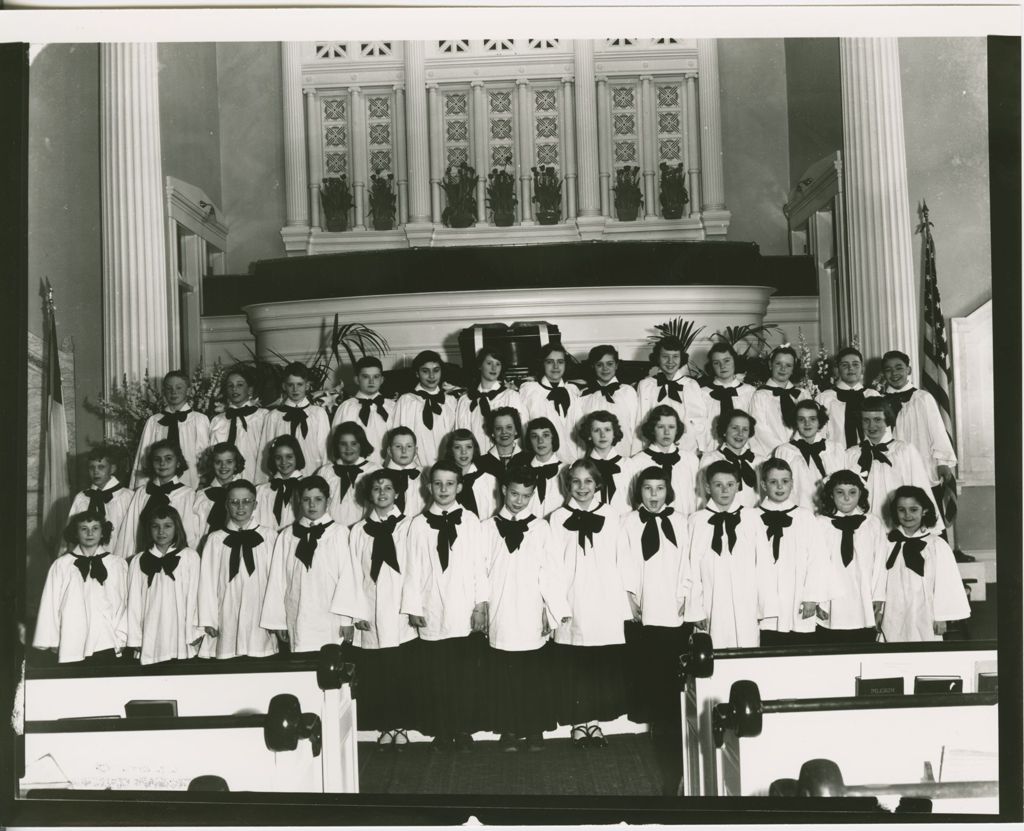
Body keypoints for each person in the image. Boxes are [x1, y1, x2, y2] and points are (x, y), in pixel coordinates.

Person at [481, 467, 572, 751]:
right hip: (501, 607)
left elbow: (551, 571)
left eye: (526, 496)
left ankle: (533, 729)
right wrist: (482, 605)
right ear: (503, 491)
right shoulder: (486, 527)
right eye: (514, 494)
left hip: (531, 606)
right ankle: (509, 729)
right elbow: (480, 571)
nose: (519, 501)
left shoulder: (541, 527)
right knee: (504, 673)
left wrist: (550, 607)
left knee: (533, 674)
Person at [401, 461, 489, 751]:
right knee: (436, 676)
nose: (443, 489)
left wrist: (480, 604)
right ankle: (442, 729)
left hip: (463, 607)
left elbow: (480, 565)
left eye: (449, 484)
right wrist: (414, 606)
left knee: (464, 675)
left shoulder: (472, 520)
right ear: (429, 487)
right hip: (432, 607)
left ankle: (463, 729)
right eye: (437, 484)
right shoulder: (418, 523)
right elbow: (412, 569)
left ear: (459, 487)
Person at [330, 469, 417, 750]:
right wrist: (356, 614)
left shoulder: (408, 527)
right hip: (369, 611)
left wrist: (413, 607)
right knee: (377, 673)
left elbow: (416, 571)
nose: (382, 493)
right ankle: (384, 726)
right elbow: (353, 574)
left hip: (400, 611)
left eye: (388, 488)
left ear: (397, 493)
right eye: (377, 488)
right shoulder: (358, 530)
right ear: (369, 494)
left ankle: (402, 724)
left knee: (401, 671)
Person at [548, 459, 630, 748]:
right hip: (572, 599)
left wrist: (622, 603)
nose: (582, 487)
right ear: (567, 485)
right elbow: (553, 566)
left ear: (598, 485)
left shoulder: (612, 515)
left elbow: (622, 560)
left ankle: (594, 722)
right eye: (576, 482)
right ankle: (578, 723)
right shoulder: (557, 518)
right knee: (576, 665)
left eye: (588, 482)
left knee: (599, 665)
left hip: (604, 599)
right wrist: (558, 606)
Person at [618, 467, 691, 726]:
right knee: (646, 662)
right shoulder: (627, 522)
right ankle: (648, 718)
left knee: (672, 664)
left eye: (660, 488)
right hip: (643, 605)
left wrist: (685, 596)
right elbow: (623, 561)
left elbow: (687, 561)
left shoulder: (682, 521)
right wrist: (629, 596)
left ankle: (671, 720)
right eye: (648, 489)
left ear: (668, 491)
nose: (654, 494)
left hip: (673, 604)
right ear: (639, 492)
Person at [684, 461, 777, 649]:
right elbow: (691, 568)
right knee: (711, 656)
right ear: (708, 488)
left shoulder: (752, 518)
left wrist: (764, 608)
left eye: (730, 485)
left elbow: (764, 566)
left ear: (738, 486)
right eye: (718, 485)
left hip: (746, 602)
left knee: (747, 652)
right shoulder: (697, 521)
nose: (725, 490)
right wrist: (695, 610)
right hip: (711, 603)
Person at [260, 476, 357, 654]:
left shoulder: (339, 533)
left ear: (328, 501)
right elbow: (277, 579)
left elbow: (347, 579)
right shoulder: (288, 535)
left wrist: (346, 620)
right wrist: (278, 621)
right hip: (297, 612)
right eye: (306, 500)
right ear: (298, 501)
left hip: (330, 615)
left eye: (318, 499)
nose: (312, 505)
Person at [33, 510, 128, 664]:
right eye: (84, 528)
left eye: (95, 528)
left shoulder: (117, 564)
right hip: (72, 640)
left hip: (107, 639)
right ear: (75, 533)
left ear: (103, 532)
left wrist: (122, 636)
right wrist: (53, 640)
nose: (90, 533)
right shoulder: (62, 565)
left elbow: (124, 602)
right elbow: (50, 604)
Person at [198, 480, 278, 659]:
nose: (240, 507)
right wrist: (208, 619)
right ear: (226, 505)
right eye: (234, 502)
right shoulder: (215, 539)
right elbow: (207, 581)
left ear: (255, 504)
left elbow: (276, 582)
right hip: (226, 612)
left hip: (259, 615)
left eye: (246, 501)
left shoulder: (270, 537)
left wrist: (275, 617)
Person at [754, 459, 831, 646]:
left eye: (785, 481)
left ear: (792, 483)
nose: (780, 487)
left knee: (800, 652)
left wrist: (812, 597)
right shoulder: (751, 517)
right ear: (763, 485)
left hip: (798, 600)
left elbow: (817, 559)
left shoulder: (804, 516)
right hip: (764, 602)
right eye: (773, 482)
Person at [878, 486, 970, 642]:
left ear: (924, 511)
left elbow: (946, 583)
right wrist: (879, 611)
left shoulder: (936, 545)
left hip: (925, 611)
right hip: (894, 609)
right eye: (902, 510)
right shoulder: (888, 543)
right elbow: (879, 580)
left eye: (913, 509)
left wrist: (942, 616)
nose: (907, 515)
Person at [881, 350, 959, 527]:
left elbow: (937, 431)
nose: (894, 374)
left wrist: (942, 463)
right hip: (894, 467)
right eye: (888, 369)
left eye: (899, 368)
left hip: (923, 466)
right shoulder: (880, 401)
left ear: (908, 370)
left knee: (926, 514)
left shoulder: (923, 398)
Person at [816, 470, 889, 644]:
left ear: (860, 494)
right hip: (832, 600)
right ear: (831, 495)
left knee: (863, 646)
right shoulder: (820, 524)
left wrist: (878, 596)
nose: (847, 498)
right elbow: (815, 565)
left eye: (852, 492)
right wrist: (819, 598)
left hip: (863, 596)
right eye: (840, 492)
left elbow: (880, 561)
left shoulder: (872, 523)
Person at [126, 506, 203, 665]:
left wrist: (195, 631)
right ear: (149, 529)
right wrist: (136, 639)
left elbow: (196, 596)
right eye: (156, 526)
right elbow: (133, 603)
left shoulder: (189, 557)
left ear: (177, 528)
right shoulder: (138, 560)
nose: (161, 531)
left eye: (167, 526)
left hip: (180, 635)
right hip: (150, 635)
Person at [843, 399, 933, 529]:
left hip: (899, 525)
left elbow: (920, 489)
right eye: (866, 420)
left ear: (887, 420)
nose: (871, 425)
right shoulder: (851, 454)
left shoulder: (904, 450)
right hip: (863, 526)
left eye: (877, 419)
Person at [115, 440, 199, 560]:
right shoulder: (142, 493)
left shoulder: (187, 494)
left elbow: (190, 534)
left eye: (168, 458)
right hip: (143, 557)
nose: (162, 463)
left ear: (178, 463)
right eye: (157, 459)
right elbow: (129, 531)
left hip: (175, 560)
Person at [131, 370, 212, 490]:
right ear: (163, 391)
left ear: (188, 391)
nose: (173, 392)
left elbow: (205, 456)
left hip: (191, 483)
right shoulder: (154, 421)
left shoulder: (199, 420)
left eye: (179, 388)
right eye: (169, 388)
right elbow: (143, 457)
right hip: (158, 484)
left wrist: (204, 484)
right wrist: (140, 487)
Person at [635, 335, 707, 455]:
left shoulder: (690, 385)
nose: (670, 361)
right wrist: (639, 451)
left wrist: (701, 448)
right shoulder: (646, 385)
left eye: (675, 357)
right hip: (653, 449)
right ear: (657, 358)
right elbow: (641, 419)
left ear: (681, 358)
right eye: (665, 357)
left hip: (686, 448)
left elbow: (699, 420)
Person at [771, 400, 847, 512]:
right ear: (795, 422)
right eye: (802, 419)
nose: (807, 424)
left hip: (832, 514)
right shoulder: (785, 451)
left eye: (812, 419)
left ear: (819, 421)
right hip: (799, 514)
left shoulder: (835, 448)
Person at [259, 361, 331, 476]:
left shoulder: (318, 413)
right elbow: (266, 452)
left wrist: (325, 477)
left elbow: (326, 449)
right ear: (284, 386)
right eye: (290, 385)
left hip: (312, 473)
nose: (295, 389)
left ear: (307, 386)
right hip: (282, 475)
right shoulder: (273, 416)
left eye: (299, 384)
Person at [631, 404, 700, 517]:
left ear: (677, 429)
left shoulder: (690, 460)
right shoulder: (637, 462)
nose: (667, 432)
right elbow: (635, 501)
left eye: (671, 427)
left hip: (684, 523)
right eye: (661, 427)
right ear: (652, 429)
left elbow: (698, 497)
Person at [391, 350, 457, 468]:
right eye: (425, 371)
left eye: (436, 370)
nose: (431, 376)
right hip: (414, 469)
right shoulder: (406, 401)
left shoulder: (450, 401)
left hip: (446, 469)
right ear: (417, 373)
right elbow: (397, 438)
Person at [64, 445, 133, 559]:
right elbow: (71, 535)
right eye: (92, 467)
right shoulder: (82, 498)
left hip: (119, 559)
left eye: (101, 467)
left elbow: (131, 535)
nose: (96, 472)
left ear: (112, 469)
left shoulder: (127, 497)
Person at [519, 343, 583, 463]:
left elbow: (580, 431)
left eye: (560, 362)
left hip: (573, 460)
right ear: (542, 364)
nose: (555, 366)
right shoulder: (529, 392)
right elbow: (524, 431)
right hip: (542, 460)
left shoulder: (573, 391)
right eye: (550, 362)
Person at [454, 348, 526, 454]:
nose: (494, 368)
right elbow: (460, 434)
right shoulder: (465, 400)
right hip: (474, 459)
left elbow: (518, 435)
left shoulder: (511, 396)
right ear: (479, 366)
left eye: (498, 364)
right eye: (489, 363)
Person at [209, 365, 269, 485]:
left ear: (250, 390)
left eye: (240, 385)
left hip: (256, 480)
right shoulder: (218, 420)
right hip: (224, 482)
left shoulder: (263, 416)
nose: (234, 389)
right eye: (230, 386)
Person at [579, 345, 639, 458]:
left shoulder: (627, 392)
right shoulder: (584, 395)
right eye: (599, 365)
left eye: (609, 364)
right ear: (593, 366)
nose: (605, 369)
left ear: (616, 365)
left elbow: (635, 427)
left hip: (624, 454)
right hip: (593, 458)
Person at [699, 410, 766, 510]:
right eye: (735, 428)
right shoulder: (710, 459)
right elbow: (703, 496)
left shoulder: (760, 461)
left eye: (745, 429)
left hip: (754, 519)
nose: (740, 433)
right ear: (724, 431)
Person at [815, 347, 881, 448]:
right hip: (837, 457)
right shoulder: (825, 398)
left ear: (862, 368)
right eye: (844, 365)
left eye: (855, 364)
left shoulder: (873, 395)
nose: (851, 368)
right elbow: (819, 434)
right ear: (837, 369)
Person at [331, 356, 395, 459]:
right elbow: (336, 443)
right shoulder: (346, 408)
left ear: (382, 379)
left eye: (376, 377)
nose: (371, 381)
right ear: (356, 379)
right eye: (365, 377)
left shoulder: (392, 407)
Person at [318, 422, 380, 528]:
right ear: (337, 446)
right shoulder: (325, 472)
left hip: (364, 531)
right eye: (343, 444)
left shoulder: (373, 470)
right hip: (331, 531)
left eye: (354, 443)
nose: (348, 448)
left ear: (362, 444)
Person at [698, 342, 756, 453]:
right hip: (711, 451)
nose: (722, 366)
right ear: (711, 366)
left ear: (735, 361)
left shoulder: (750, 392)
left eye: (727, 361)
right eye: (716, 363)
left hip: (744, 450)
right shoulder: (702, 394)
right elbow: (699, 427)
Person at [749, 345, 802, 457]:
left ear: (793, 369)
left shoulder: (802, 395)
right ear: (770, 365)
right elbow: (760, 430)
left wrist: (798, 447)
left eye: (788, 365)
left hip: (800, 452)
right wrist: (784, 451)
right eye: (778, 364)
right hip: (772, 454)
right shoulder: (760, 396)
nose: (783, 369)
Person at [580, 410, 633, 516]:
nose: (602, 435)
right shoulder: (581, 468)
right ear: (589, 435)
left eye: (607, 430)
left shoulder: (628, 464)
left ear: (614, 434)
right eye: (596, 430)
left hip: (623, 523)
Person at [191, 442, 244, 547]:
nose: (223, 466)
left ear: (236, 464)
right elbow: (195, 531)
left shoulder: (246, 492)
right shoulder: (202, 496)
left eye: (229, 462)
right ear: (212, 464)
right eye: (218, 462)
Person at [511, 417, 565, 519]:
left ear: (553, 438)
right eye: (534, 436)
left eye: (545, 435)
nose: (540, 441)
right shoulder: (521, 472)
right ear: (529, 440)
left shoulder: (566, 471)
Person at [441, 429, 498, 519]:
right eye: (457, 447)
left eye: (468, 447)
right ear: (451, 450)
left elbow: (494, 515)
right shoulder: (444, 479)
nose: (463, 452)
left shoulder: (488, 479)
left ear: (474, 449)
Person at [254, 435, 306, 532]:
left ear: (297, 456)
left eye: (289, 457)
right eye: (278, 457)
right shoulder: (261, 491)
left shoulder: (307, 489)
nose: (284, 462)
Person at [382, 427, 425, 517]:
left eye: (409, 446)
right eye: (398, 446)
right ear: (389, 451)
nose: (404, 451)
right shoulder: (380, 477)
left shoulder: (426, 476)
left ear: (416, 450)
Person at [476, 407, 525, 479]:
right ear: (492, 432)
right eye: (498, 428)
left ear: (516, 430)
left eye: (509, 427)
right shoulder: (480, 463)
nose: (504, 432)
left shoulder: (528, 460)